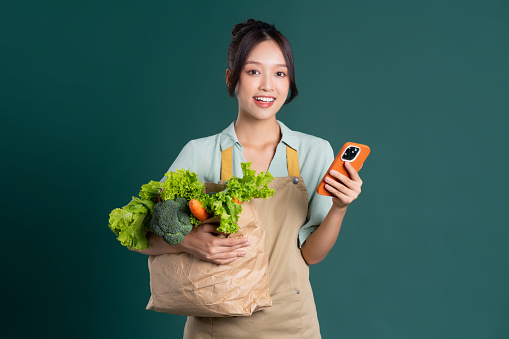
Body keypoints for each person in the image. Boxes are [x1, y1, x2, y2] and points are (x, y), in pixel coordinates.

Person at [131, 19, 363, 338]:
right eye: (254, 71)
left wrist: (339, 208)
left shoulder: (314, 151)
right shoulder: (201, 153)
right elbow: (136, 236)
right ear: (232, 78)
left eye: (279, 73)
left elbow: (312, 255)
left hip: (293, 326)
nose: (267, 85)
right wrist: (189, 241)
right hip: (215, 329)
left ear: (289, 81)